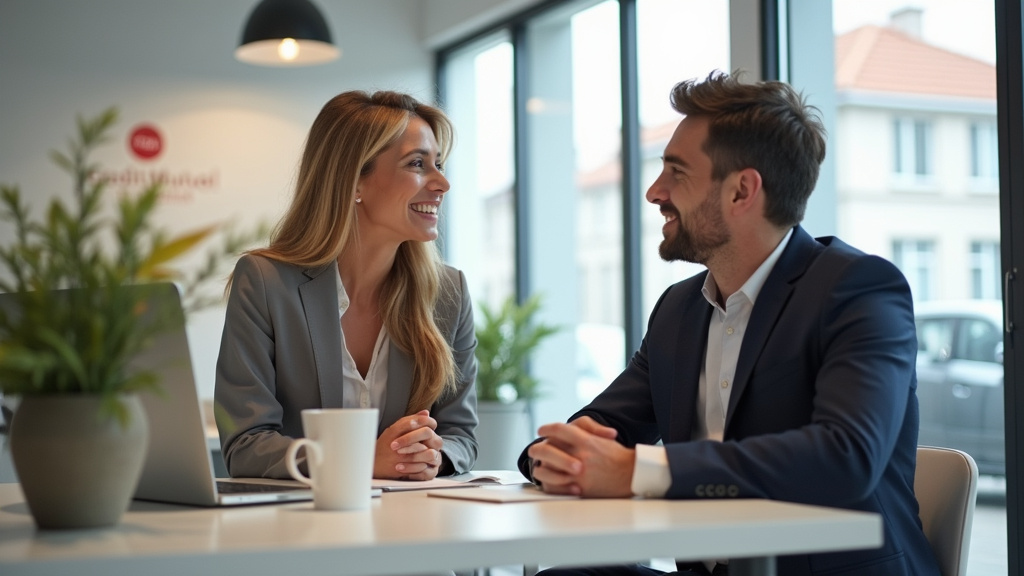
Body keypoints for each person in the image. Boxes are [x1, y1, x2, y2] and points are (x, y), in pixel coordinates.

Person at [518, 71, 940, 576]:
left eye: (676, 172)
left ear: (742, 191)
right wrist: (559, 455)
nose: (654, 192)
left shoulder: (858, 289)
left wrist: (637, 470)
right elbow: (604, 425)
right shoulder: (679, 309)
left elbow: (845, 457)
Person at [216, 90, 478, 482]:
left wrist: (433, 456)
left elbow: (460, 435)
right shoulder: (265, 282)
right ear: (355, 180)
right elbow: (245, 446)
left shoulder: (448, 293)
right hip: (296, 527)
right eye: (418, 164)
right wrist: (358, 461)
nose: (442, 183)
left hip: (413, 524)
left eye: (438, 164)